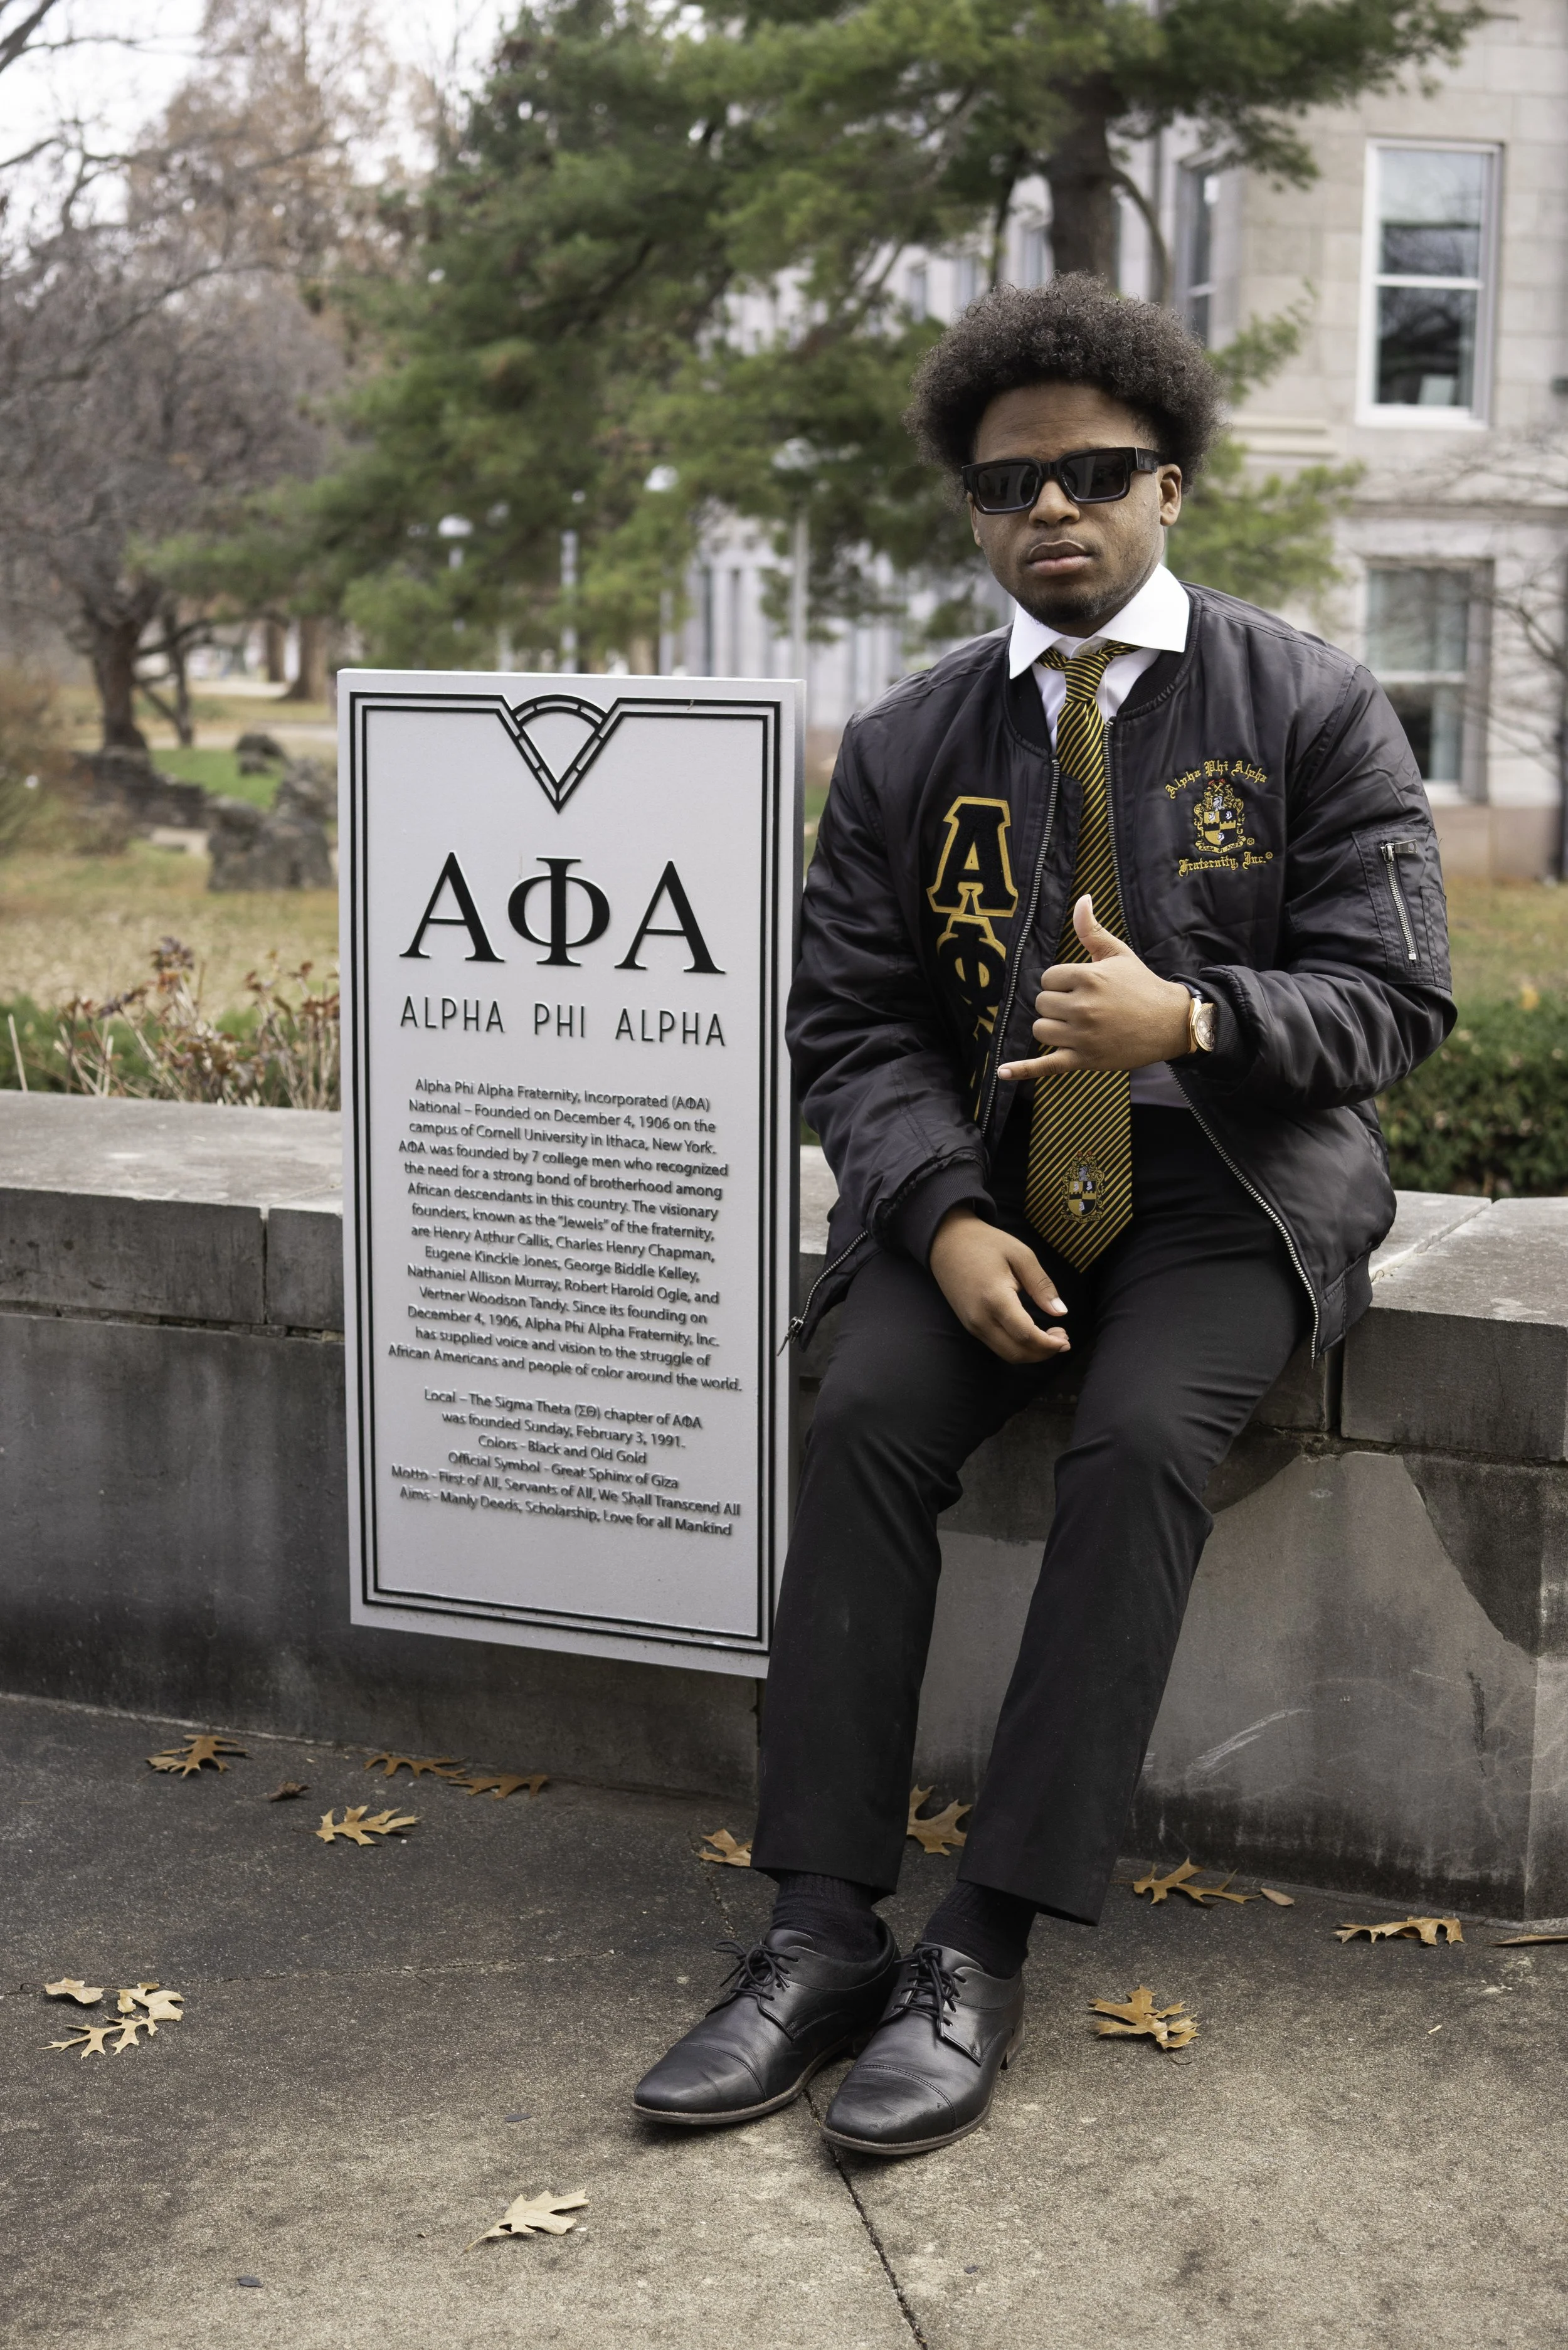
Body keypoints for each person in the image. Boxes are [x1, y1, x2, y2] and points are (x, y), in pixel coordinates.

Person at [633, 274, 1453, 2157]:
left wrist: (1197, 1018)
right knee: (855, 1426)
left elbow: (1399, 999)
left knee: (1137, 1450)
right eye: (1012, 487)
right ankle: (821, 1927)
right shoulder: (912, 737)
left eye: (1095, 473)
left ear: (1170, 486)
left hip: (1225, 1186)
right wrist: (929, 1213)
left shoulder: (1307, 700)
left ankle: (979, 1943)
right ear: (975, 512)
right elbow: (844, 1020)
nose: (1051, 512)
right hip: (991, 1193)